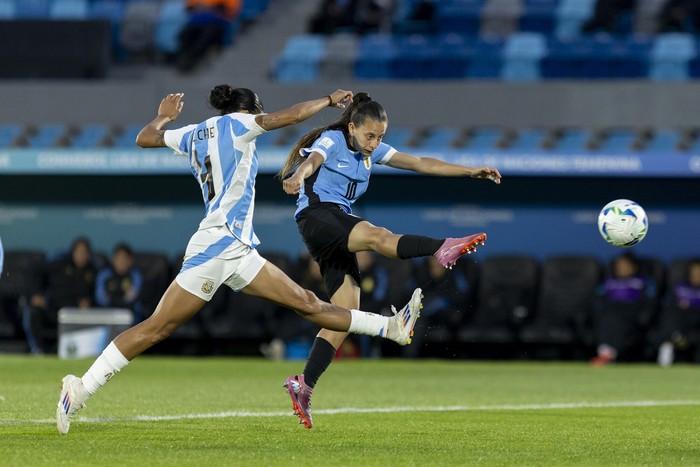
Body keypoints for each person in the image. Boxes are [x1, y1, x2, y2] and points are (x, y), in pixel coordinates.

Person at [55, 87, 423, 436]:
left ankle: (390, 328)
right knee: (156, 328)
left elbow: (144, 139)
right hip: (216, 246)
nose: (261, 118)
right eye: (258, 112)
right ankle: (81, 388)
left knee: (308, 304)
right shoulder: (239, 123)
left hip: (238, 250)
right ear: (248, 111)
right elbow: (290, 116)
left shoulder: (193, 133)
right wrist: (329, 100)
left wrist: (162, 117)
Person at [277, 92, 501, 428]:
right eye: (369, 136)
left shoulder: (373, 152)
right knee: (377, 236)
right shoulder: (333, 140)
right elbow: (313, 161)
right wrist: (298, 174)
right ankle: (444, 246)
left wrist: (469, 172)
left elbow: (421, 163)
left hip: (332, 226)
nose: (374, 143)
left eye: (380, 137)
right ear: (352, 127)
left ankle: (304, 385)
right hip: (318, 216)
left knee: (345, 315)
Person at [23, 237, 97, 355]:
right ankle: (37, 350)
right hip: (53, 310)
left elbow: (96, 296)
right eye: (79, 252)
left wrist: (89, 302)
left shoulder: (92, 271)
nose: (81, 255)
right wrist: (36, 294)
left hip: (76, 315)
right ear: (73, 252)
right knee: (32, 312)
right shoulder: (59, 264)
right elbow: (35, 271)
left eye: (85, 252)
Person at [590, 252, 657, 367]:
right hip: (611, 311)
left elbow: (651, 301)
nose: (622, 269)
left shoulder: (643, 282)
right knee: (607, 318)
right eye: (619, 266)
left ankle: (608, 355)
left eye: (625, 266)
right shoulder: (608, 282)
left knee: (618, 320)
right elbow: (597, 300)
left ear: (634, 267)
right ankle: (606, 353)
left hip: (631, 312)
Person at [654, 259, 700, 366]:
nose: (697, 275)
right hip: (680, 322)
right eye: (695, 272)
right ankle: (672, 340)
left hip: (696, 324)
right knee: (672, 311)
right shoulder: (679, 287)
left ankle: (678, 339)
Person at [95, 243, 144, 322]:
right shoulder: (104, 275)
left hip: (130, 314)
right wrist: (119, 298)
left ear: (130, 261)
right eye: (119, 258)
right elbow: (101, 299)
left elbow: (131, 299)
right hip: (107, 313)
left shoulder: (136, 276)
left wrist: (113, 298)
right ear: (113, 260)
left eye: (124, 259)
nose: (122, 262)